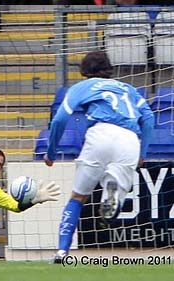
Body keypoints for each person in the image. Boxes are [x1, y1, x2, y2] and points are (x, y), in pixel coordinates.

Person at [43, 50, 155, 263]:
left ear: (85, 70)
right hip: (130, 139)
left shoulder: (82, 87)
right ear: (108, 69)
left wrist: (51, 151)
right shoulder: (128, 89)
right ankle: (111, 190)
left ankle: (61, 252)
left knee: (78, 197)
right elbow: (148, 118)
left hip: (100, 134)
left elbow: (59, 119)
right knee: (113, 205)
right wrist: (143, 153)